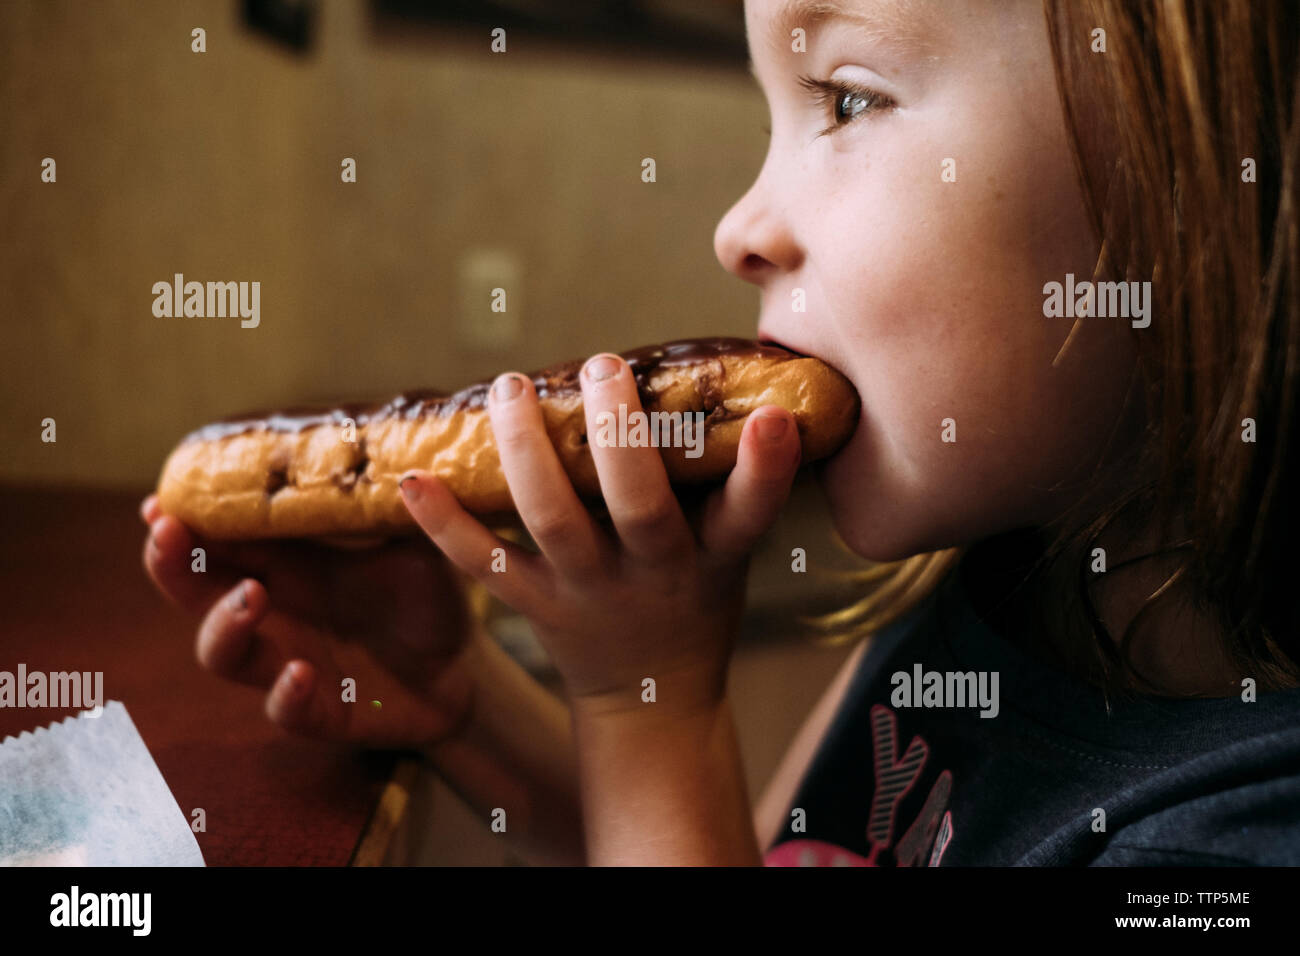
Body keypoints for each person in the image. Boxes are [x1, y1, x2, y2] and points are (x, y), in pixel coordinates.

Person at [140, 0, 1300, 865]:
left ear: (1204, 165)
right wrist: (469, 700)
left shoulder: (1224, 847)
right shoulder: (1005, 592)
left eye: (846, 97)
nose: (738, 227)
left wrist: (649, 704)